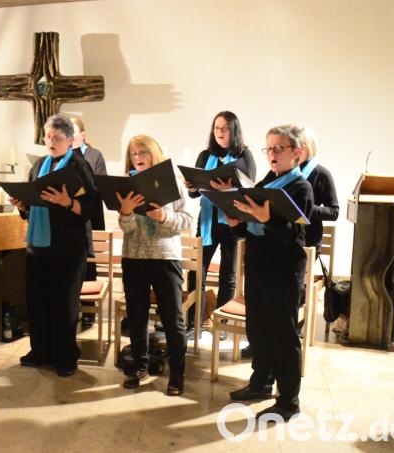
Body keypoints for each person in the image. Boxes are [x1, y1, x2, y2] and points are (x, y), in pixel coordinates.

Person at [225, 125, 314, 421]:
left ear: (296, 153)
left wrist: (267, 218)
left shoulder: (301, 187)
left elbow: (296, 235)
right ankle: (260, 383)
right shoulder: (267, 182)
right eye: (269, 149)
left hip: (283, 271)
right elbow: (254, 225)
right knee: (259, 330)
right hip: (259, 268)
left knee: (283, 336)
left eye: (279, 148)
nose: (272, 155)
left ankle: (289, 400)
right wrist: (237, 220)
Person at [11, 114, 97, 377]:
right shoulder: (39, 166)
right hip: (38, 245)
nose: (51, 141)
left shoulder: (80, 167)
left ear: (70, 141)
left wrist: (67, 203)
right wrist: (22, 205)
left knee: (63, 304)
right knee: (38, 301)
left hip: (68, 248)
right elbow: (32, 203)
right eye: (48, 136)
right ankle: (41, 351)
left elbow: (91, 208)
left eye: (57, 137)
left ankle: (65, 357)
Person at [115, 135, 192, 394]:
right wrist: (125, 212)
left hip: (165, 258)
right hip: (133, 257)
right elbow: (126, 228)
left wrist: (164, 216)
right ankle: (139, 366)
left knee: (173, 319)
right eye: (134, 153)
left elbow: (187, 220)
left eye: (143, 152)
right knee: (136, 317)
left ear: (154, 154)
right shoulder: (127, 185)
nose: (138, 157)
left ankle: (177, 374)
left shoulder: (173, 181)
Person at [185, 111, 256, 340]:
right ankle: (194, 321)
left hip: (231, 221)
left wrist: (229, 190)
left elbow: (250, 190)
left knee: (228, 274)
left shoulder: (245, 155)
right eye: (216, 128)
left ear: (233, 130)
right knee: (198, 271)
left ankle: (222, 322)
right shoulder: (205, 155)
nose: (220, 132)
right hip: (207, 221)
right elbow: (195, 194)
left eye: (224, 128)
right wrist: (192, 187)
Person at [71, 117, 107, 329]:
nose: (71, 136)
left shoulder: (95, 155)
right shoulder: (64, 157)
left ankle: (88, 310)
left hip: (91, 215)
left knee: (89, 260)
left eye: (73, 132)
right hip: (71, 216)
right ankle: (72, 307)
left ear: (83, 135)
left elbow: (101, 184)